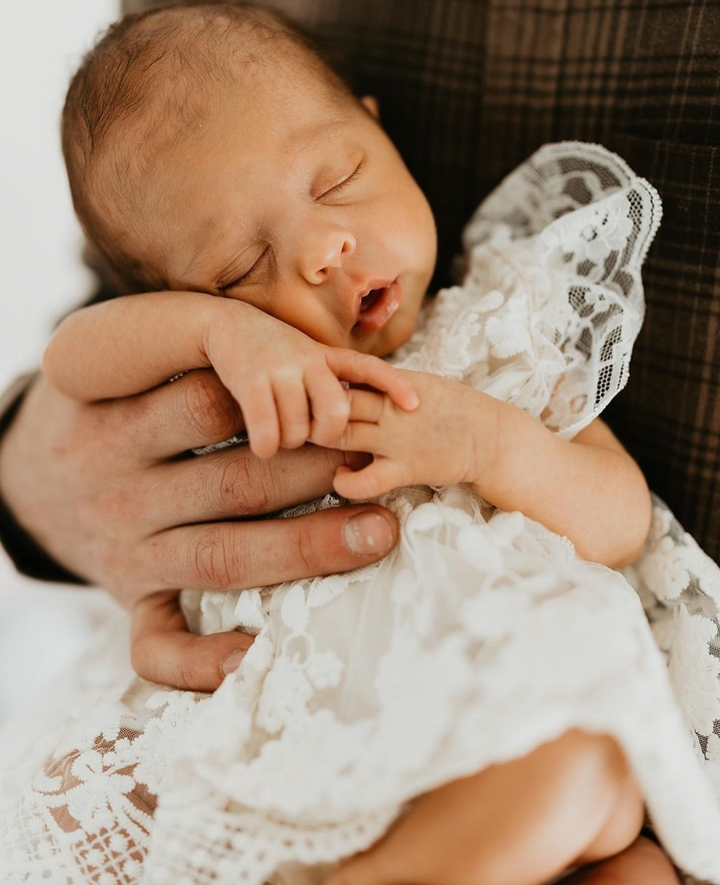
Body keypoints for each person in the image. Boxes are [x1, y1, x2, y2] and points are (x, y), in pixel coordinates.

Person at [2, 5, 718, 885]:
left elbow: (620, 523)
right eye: (237, 269)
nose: (320, 248)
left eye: (338, 179)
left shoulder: (500, 327)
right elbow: (72, 360)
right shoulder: (243, 385)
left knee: (602, 792)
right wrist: (210, 332)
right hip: (300, 745)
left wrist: (491, 444)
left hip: (503, 712)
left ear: (377, 130)